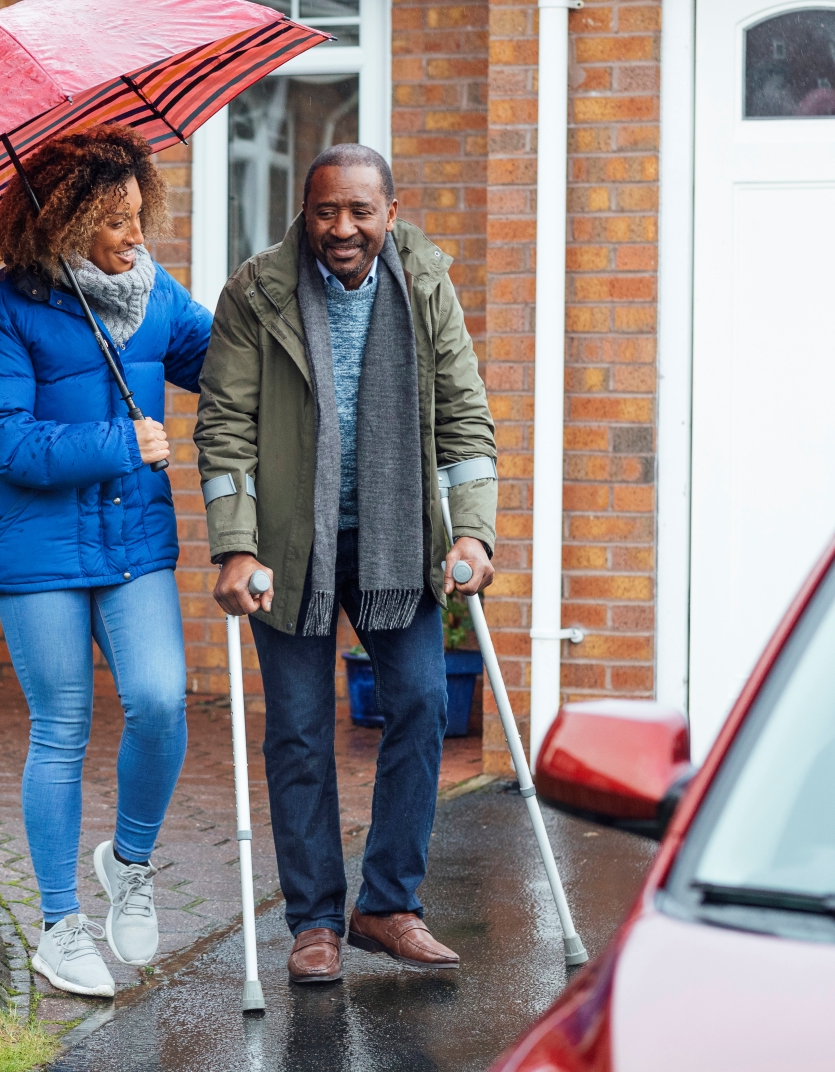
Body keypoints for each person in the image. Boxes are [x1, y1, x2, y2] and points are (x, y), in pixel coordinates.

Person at [195, 143, 497, 983]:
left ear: (389, 215)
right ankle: (315, 922)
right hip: (291, 541)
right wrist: (236, 544)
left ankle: (389, 904)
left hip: (396, 536)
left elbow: (465, 417)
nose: (342, 228)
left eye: (361, 211)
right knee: (297, 730)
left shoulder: (427, 283)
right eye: (326, 210)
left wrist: (471, 534)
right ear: (305, 210)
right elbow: (225, 426)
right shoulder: (256, 292)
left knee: (423, 704)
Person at [0, 125, 210, 998]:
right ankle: (59, 926)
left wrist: (282, 318)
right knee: (62, 725)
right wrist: (120, 440)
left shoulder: (151, 293)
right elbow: (4, 442)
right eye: (112, 224)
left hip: (132, 539)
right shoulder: (0, 312)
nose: (134, 237)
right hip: (39, 550)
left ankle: (128, 863)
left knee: (161, 700)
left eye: (138, 215)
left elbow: (222, 361)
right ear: (59, 224)